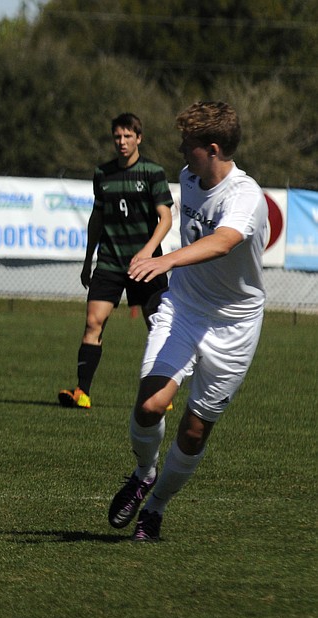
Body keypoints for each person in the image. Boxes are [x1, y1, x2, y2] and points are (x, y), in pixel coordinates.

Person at [107, 101, 267, 542]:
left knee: (195, 430)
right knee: (149, 405)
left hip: (234, 325)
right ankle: (143, 474)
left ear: (212, 149)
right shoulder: (187, 177)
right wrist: (166, 263)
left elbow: (223, 241)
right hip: (183, 309)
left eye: (189, 144)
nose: (180, 149)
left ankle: (155, 509)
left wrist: (164, 261)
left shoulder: (245, 196)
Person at [58, 113, 174, 409]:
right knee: (93, 322)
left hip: (145, 264)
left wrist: (148, 251)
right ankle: (81, 393)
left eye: (127, 136)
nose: (122, 142)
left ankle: (161, 393)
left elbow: (166, 218)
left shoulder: (152, 172)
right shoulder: (103, 173)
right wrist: (88, 259)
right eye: (117, 137)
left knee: (157, 325)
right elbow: (97, 218)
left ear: (139, 138)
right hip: (109, 262)